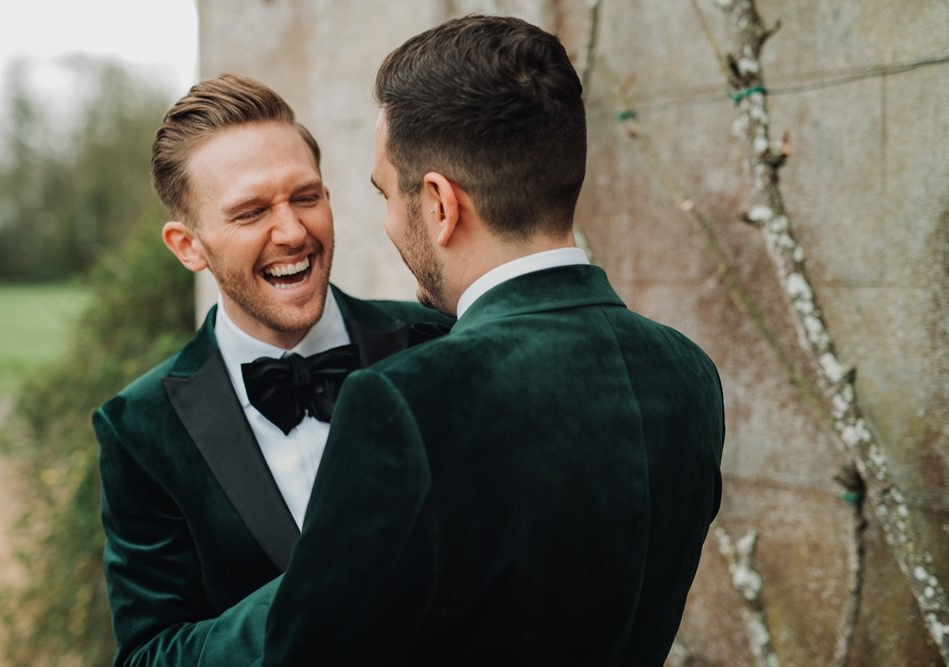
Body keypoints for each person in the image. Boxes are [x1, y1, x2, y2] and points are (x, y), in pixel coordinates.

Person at [263, 15, 725, 666]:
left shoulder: (405, 400)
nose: (390, 222)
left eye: (386, 194)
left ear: (440, 205)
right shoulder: (689, 372)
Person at [92, 73, 450, 665]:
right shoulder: (139, 427)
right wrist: (324, 585)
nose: (292, 232)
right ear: (189, 246)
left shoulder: (438, 340)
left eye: (306, 197)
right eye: (251, 211)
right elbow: (150, 654)